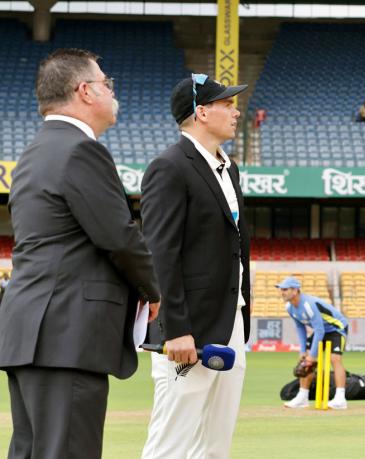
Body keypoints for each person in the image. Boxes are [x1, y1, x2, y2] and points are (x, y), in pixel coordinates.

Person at [0, 48, 161, 459]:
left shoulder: (35, 152)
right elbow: (118, 237)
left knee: (34, 450)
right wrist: (155, 290)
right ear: (85, 91)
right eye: (107, 83)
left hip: (32, 331)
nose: (112, 91)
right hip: (66, 332)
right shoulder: (80, 150)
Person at [140, 74, 251, 459]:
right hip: (190, 330)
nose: (236, 112)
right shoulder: (169, 166)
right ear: (201, 112)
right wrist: (176, 329)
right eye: (227, 104)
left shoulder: (228, 168)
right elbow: (160, 254)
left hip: (230, 320)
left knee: (215, 443)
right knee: (172, 441)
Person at [277, 276, 349, 410]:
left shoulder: (308, 304)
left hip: (336, 328)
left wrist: (312, 355)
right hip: (321, 330)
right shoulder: (289, 307)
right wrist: (303, 351)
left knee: (335, 359)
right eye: (281, 289)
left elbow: (319, 329)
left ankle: (340, 398)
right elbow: (300, 328)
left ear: (295, 290)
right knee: (305, 361)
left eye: (285, 289)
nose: (282, 292)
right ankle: (302, 397)